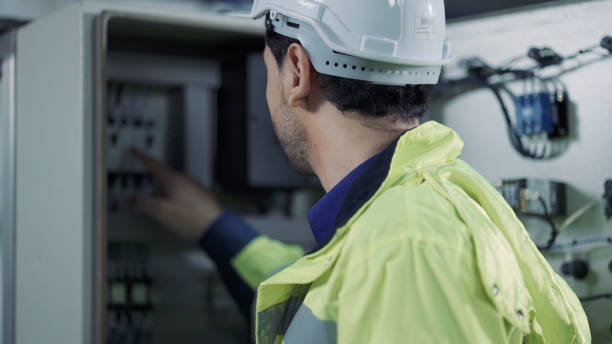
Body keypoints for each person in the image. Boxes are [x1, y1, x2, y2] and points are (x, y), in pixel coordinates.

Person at [132, 0, 591, 343]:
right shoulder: (412, 211)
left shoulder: (407, 247)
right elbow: (327, 290)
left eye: (267, 69)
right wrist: (216, 229)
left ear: (295, 71)